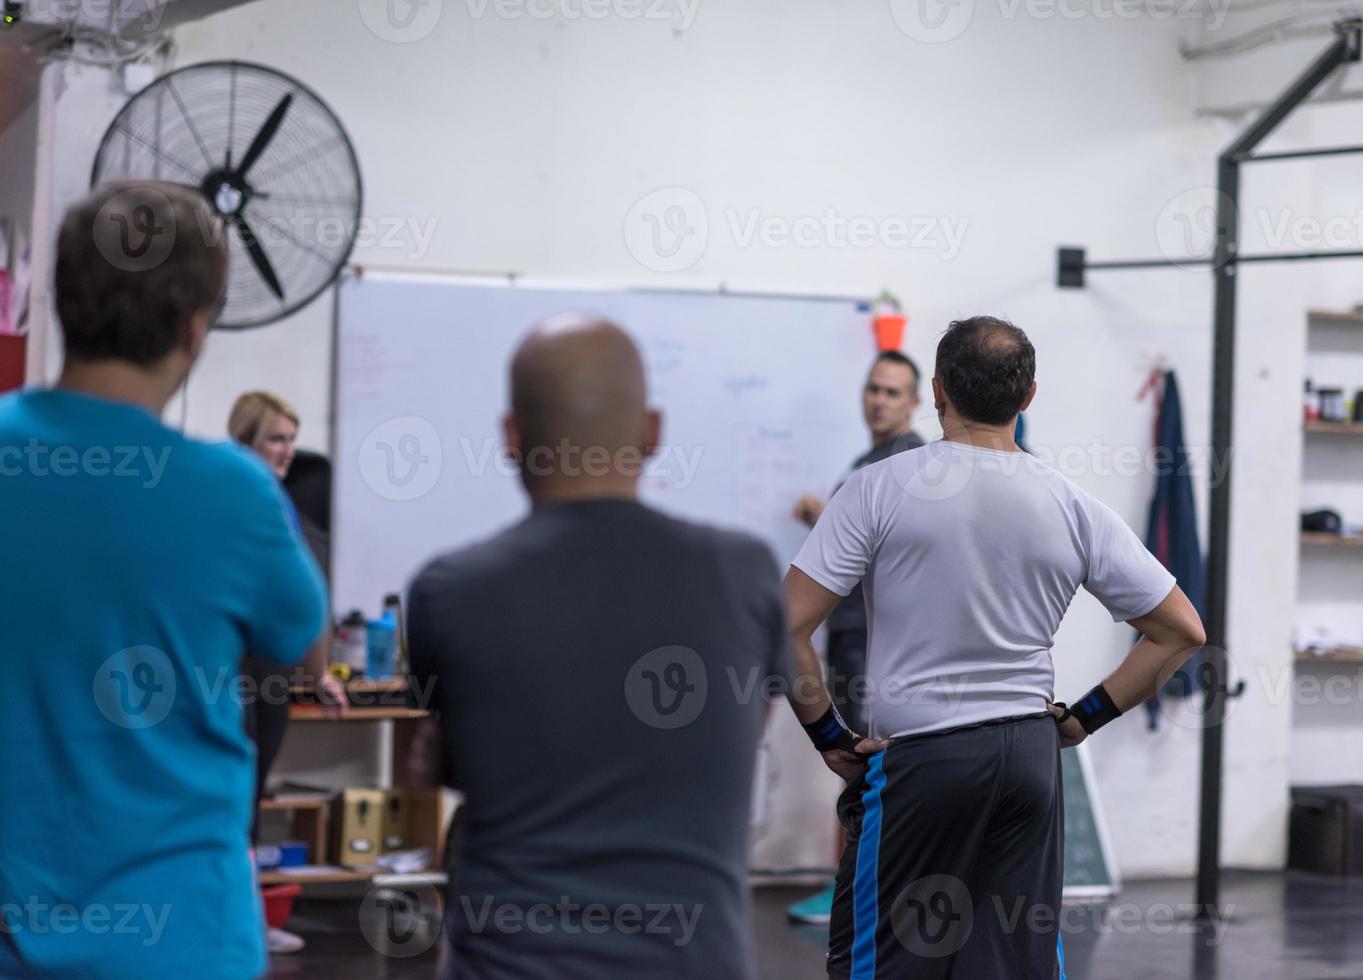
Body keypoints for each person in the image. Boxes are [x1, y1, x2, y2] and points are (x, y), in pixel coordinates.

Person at [783, 316, 1207, 978]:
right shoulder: (1070, 503)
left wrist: (827, 733)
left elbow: (783, 627)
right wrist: (1081, 719)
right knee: (1012, 963)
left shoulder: (876, 487)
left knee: (881, 962)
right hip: (1030, 761)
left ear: (936, 390)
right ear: (1028, 396)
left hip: (922, 760)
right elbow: (1181, 630)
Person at [0, 181, 331, 978]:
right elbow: (309, 658)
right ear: (194, 329)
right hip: (184, 941)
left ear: (64, 304)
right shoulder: (236, 493)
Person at [406, 314, 790, 979]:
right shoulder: (748, 573)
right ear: (652, 431)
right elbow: (732, 735)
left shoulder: (451, 589)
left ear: (510, 436)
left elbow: (446, 761)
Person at [787, 350, 924, 926]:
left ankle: (861, 889)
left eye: (893, 392)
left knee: (869, 764)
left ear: (918, 402)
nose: (879, 400)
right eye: (873, 389)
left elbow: (892, 545)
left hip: (878, 641)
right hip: (848, 633)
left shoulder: (912, 460)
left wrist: (826, 513)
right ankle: (851, 884)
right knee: (851, 761)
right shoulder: (867, 460)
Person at [228, 390, 345, 956]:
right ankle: (235, 919)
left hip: (272, 675)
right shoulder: (231, 498)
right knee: (231, 799)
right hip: (228, 675)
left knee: (253, 799)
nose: (286, 451)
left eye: (292, 439)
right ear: (246, 440)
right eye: (276, 437)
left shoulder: (285, 506)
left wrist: (318, 674)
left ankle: (251, 915)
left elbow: (305, 599)